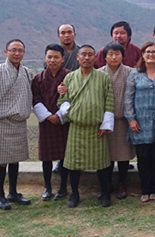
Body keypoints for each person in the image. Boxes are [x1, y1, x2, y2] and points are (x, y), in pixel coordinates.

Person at [57, 45, 115, 208]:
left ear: (95, 58)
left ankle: (104, 193)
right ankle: (74, 194)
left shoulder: (103, 77)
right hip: (76, 127)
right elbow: (63, 100)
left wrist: (106, 124)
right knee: (73, 164)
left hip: (97, 128)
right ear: (78, 57)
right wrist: (68, 112)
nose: (87, 58)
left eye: (90, 54)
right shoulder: (69, 78)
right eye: (83, 54)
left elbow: (109, 101)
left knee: (102, 164)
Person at [0, 39, 34, 211]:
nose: (17, 53)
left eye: (20, 50)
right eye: (13, 50)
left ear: (24, 53)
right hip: (1, 121)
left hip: (19, 122)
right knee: (2, 161)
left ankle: (13, 192)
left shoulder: (27, 72)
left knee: (15, 159)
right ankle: (0, 195)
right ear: (6, 52)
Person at [124, 42, 155, 202]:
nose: (151, 54)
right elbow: (128, 98)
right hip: (140, 123)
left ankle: (154, 188)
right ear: (142, 55)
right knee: (142, 158)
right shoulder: (134, 74)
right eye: (147, 52)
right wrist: (131, 119)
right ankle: (144, 189)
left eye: (154, 52)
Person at [32, 44, 70, 201]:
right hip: (46, 122)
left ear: (62, 58)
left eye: (56, 57)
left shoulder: (69, 76)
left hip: (63, 120)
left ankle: (63, 187)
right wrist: (49, 116)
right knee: (46, 157)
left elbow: (72, 98)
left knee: (65, 156)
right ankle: (47, 187)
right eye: (49, 57)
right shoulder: (38, 78)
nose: (52, 60)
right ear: (45, 58)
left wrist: (60, 115)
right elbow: (35, 99)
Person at [99, 42, 135, 200]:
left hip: (123, 120)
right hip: (104, 121)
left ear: (122, 56)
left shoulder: (130, 72)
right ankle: (106, 184)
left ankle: (121, 183)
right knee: (106, 155)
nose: (114, 57)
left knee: (123, 155)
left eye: (117, 54)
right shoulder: (98, 73)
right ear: (105, 56)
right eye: (110, 54)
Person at [52, 24, 79, 173]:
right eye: (63, 33)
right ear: (58, 36)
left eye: (69, 32)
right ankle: (61, 161)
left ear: (75, 34)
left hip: (78, 97)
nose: (66, 35)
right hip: (60, 97)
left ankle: (77, 161)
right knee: (61, 133)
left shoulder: (81, 53)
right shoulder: (54, 54)